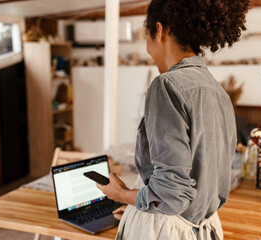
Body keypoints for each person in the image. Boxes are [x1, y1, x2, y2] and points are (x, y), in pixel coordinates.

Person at [97, 0, 249, 239]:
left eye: (146, 37)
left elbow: (171, 193)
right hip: (205, 228)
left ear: (160, 30)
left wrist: (122, 193)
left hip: (165, 232)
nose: (148, 49)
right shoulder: (218, 91)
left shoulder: (167, 85)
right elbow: (197, 186)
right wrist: (139, 205)